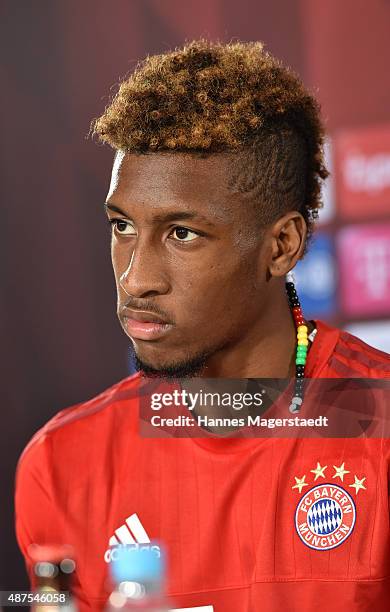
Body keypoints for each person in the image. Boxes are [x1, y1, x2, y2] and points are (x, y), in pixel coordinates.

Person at [15, 40, 390, 611]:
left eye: (182, 233)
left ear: (281, 245)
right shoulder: (63, 464)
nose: (136, 279)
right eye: (122, 226)